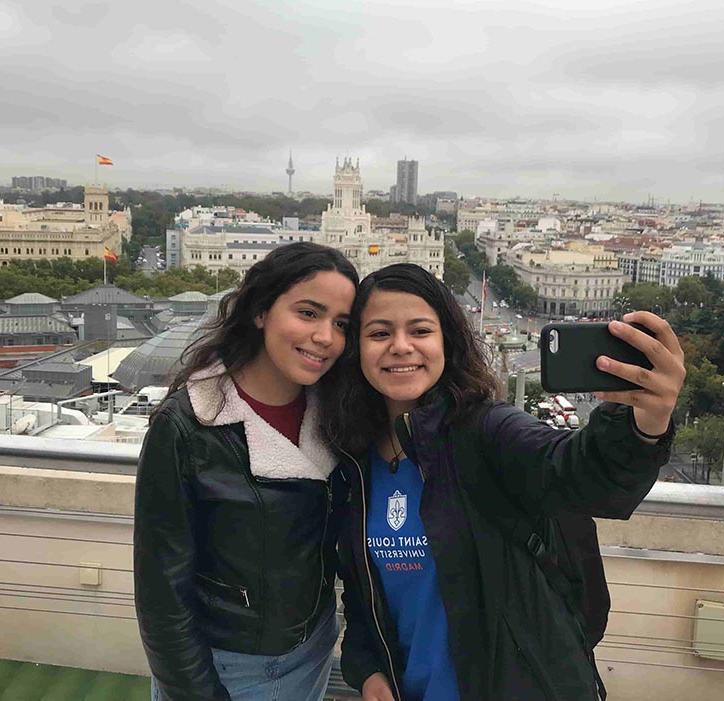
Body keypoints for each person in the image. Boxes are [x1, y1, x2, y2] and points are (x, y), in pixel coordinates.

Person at [324, 264, 684, 701]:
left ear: (447, 342)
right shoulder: (352, 460)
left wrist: (646, 420)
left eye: (420, 330)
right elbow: (365, 594)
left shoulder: (485, 430)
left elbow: (581, 474)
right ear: (356, 349)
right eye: (379, 334)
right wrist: (368, 669)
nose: (401, 347)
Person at [133, 242, 358, 701]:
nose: (325, 337)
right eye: (308, 313)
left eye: (341, 324)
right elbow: (162, 593)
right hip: (223, 664)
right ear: (260, 311)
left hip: (311, 647)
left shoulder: (337, 415)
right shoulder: (188, 425)